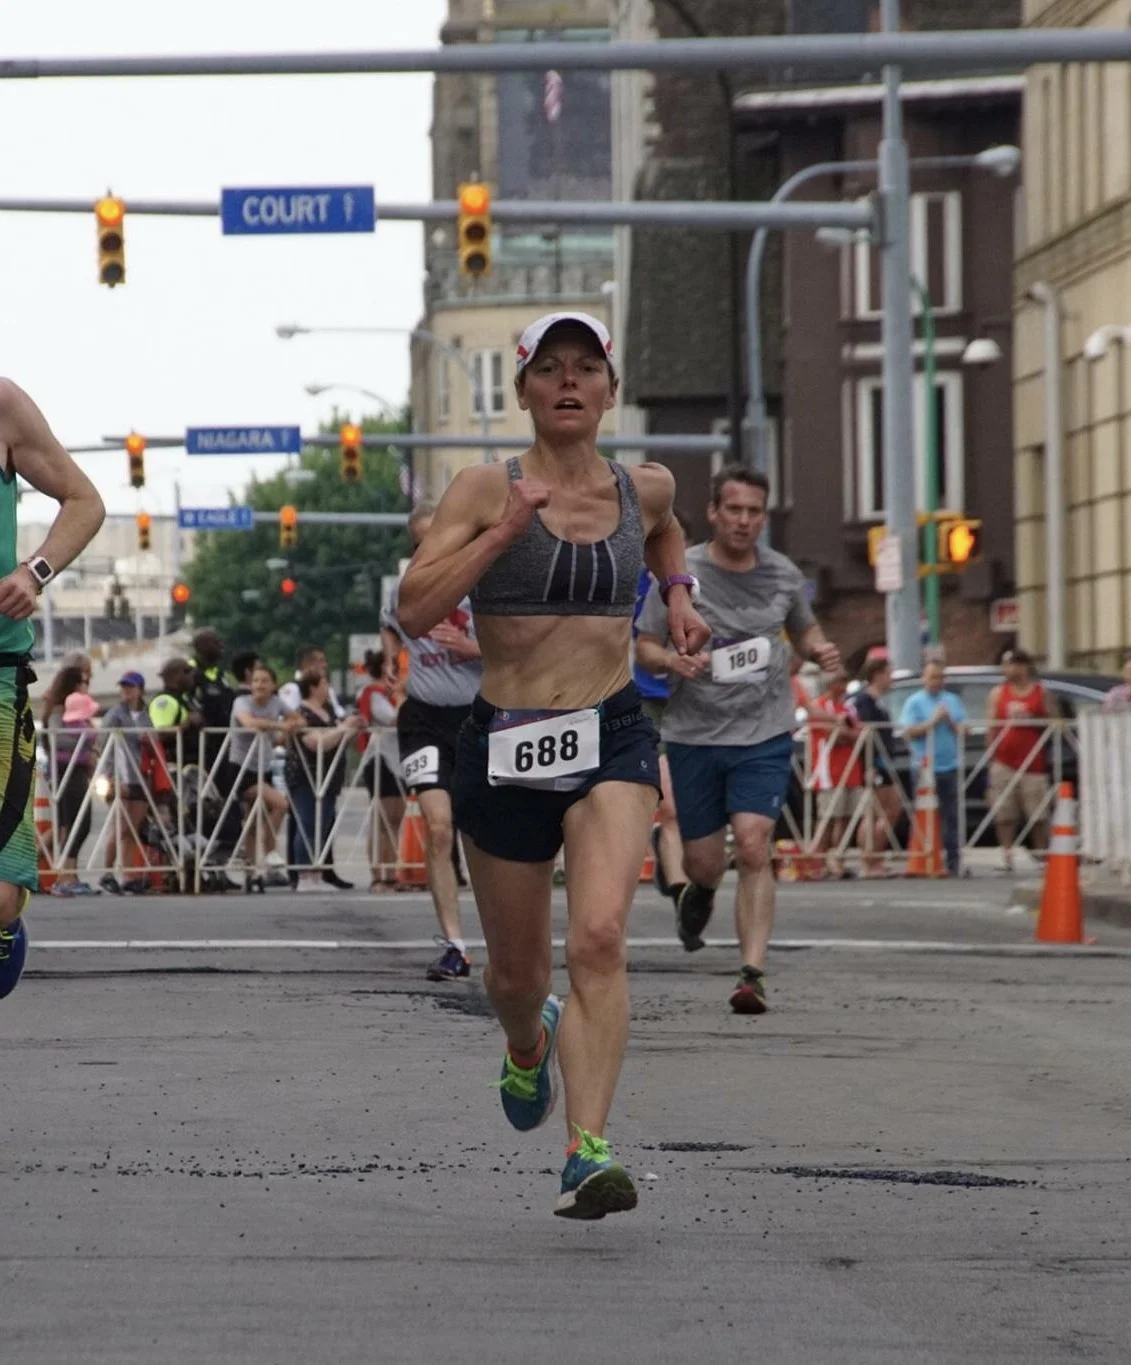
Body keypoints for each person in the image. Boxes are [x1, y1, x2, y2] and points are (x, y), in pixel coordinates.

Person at [397, 310, 707, 1219]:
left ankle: (588, 1149)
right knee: (517, 977)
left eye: (585, 368)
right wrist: (501, 533)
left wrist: (678, 594)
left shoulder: (644, 486)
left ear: (610, 390)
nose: (568, 381)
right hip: (505, 739)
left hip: (610, 730)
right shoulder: (480, 488)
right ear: (524, 390)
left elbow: (666, 529)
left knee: (600, 937)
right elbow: (415, 607)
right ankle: (525, 1043)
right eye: (549, 368)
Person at [636, 464, 839, 1015]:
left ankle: (752, 973)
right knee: (704, 863)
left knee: (753, 844)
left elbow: (804, 627)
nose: (744, 521)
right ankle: (697, 890)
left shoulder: (783, 574)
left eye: (754, 511)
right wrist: (673, 660)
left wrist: (818, 648)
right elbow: (644, 646)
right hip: (695, 733)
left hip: (764, 730)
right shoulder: (682, 573)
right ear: (714, 512)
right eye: (734, 510)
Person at [0, 379, 104, 1000]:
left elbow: (84, 501)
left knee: (1, 897)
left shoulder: (2, 405)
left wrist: (33, 572)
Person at [382, 503, 483, 981]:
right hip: (422, 717)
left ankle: (504, 939)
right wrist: (391, 656)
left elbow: (524, 648)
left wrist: (471, 648)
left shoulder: (483, 581)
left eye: (437, 538)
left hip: (477, 718)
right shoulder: (406, 587)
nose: (430, 550)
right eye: (420, 543)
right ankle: (455, 945)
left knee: (479, 832)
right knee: (439, 827)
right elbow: (390, 623)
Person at [632, 509, 691, 905]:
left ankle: (680, 879)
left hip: (692, 703)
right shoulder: (630, 581)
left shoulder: (698, 583)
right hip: (641, 701)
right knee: (665, 804)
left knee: (682, 808)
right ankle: (684, 894)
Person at [279, 644, 353, 890]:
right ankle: (302, 874)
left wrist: (348, 727)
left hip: (328, 774)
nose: (324, 665)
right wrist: (342, 730)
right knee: (305, 823)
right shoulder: (294, 694)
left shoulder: (328, 705)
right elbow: (309, 738)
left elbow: (338, 722)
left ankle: (319, 872)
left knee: (323, 824)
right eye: (320, 661)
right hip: (306, 772)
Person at [230, 663, 302, 884]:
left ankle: (252, 872)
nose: (259, 685)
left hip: (264, 766)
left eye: (264, 681)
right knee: (280, 803)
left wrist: (287, 729)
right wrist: (279, 726)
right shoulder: (242, 701)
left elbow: (299, 719)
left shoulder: (276, 703)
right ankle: (269, 849)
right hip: (241, 768)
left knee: (254, 821)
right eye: (255, 681)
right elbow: (249, 722)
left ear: (274, 686)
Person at [898, 660, 968, 877]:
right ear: (924, 679)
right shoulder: (914, 702)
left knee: (951, 815)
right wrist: (932, 721)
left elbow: (964, 729)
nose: (937, 681)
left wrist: (950, 721)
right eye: (932, 677)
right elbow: (909, 731)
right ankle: (925, 858)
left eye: (940, 677)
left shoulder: (952, 700)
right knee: (924, 814)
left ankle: (953, 862)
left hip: (949, 765)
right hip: (924, 766)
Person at [986, 648, 1051, 873]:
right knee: (1004, 812)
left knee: (1038, 813)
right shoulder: (998, 693)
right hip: (1004, 761)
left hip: (1033, 762)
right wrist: (990, 757)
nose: (1009, 669)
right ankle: (1007, 855)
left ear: (1025, 666)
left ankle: (1042, 856)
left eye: (1014, 664)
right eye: (1006, 665)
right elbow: (991, 726)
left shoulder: (1040, 692)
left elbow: (1053, 720)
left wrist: (1032, 718)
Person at [99, 671, 155, 895]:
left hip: (141, 775)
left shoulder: (146, 714)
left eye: (131, 687)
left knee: (133, 827)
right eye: (124, 687)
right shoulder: (115, 714)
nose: (126, 691)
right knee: (120, 826)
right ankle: (107, 872)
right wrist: (109, 776)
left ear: (140, 690)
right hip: (121, 774)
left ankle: (128, 874)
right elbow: (104, 746)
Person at [849, 655, 902, 878]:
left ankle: (875, 856)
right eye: (888, 674)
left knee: (889, 808)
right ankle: (869, 860)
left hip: (884, 760)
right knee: (877, 811)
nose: (891, 679)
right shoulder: (865, 702)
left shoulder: (878, 701)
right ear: (877, 675)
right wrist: (869, 765)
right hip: (875, 763)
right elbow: (866, 735)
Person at [355, 649, 404, 891]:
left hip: (399, 759)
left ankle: (392, 872)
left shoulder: (391, 692)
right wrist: (403, 700)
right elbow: (392, 718)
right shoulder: (372, 692)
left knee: (395, 819)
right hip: (380, 758)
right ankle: (379, 874)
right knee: (382, 819)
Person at [809, 666, 864, 879]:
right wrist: (844, 731)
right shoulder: (819, 706)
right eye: (841, 680)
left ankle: (838, 861)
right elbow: (834, 734)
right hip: (828, 773)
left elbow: (858, 733)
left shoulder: (848, 707)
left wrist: (845, 732)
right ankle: (817, 862)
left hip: (850, 769)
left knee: (846, 818)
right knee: (828, 818)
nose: (844, 685)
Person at [49, 668, 101, 895]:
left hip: (80, 770)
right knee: (74, 822)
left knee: (80, 822)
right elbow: (55, 739)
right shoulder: (59, 712)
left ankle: (70, 873)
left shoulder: (82, 712)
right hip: (66, 771)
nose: (86, 686)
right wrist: (84, 738)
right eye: (83, 681)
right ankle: (66, 876)